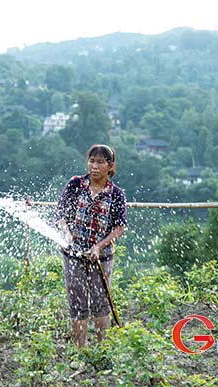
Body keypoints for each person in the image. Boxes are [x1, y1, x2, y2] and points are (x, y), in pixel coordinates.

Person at [56, 144, 127, 347]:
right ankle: (81, 350)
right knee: (77, 303)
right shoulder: (76, 184)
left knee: (100, 301)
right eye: (92, 161)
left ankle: (102, 349)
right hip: (73, 255)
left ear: (110, 166)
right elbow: (60, 214)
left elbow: (119, 228)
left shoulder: (116, 194)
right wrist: (66, 233)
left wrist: (99, 246)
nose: (94, 166)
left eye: (100, 162)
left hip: (101, 257)